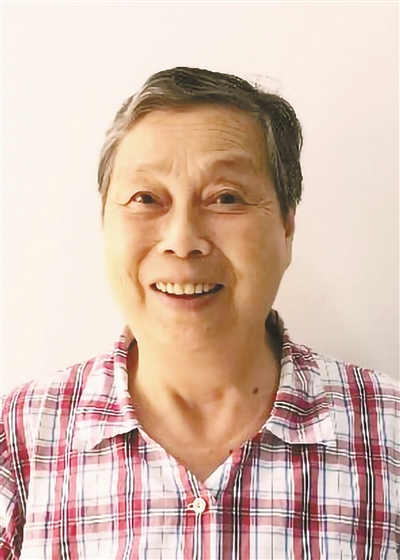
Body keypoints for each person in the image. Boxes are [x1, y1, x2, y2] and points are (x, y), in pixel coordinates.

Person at [1, 66, 398, 560]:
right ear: (104, 221)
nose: (182, 240)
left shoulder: (389, 430)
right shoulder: (18, 437)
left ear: (287, 227)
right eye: (146, 199)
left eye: (226, 198)